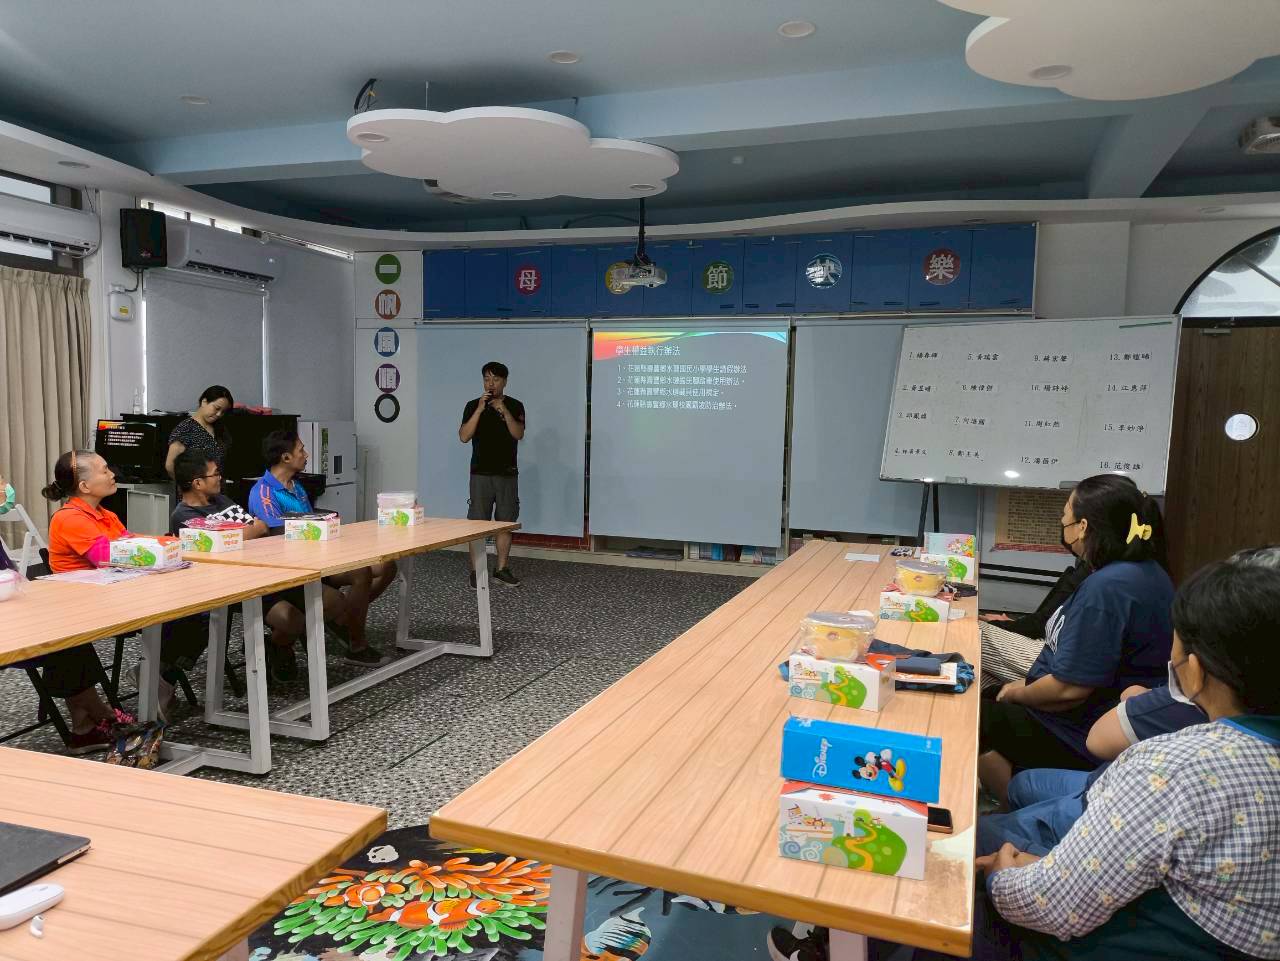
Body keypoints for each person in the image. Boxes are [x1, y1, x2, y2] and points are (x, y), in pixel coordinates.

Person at [962, 548, 1280, 961]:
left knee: (962, 855)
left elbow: (1050, 905)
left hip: (1099, 937)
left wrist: (1003, 877)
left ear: (1196, 671)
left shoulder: (1172, 769)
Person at [978, 474, 1173, 805]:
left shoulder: (1109, 588)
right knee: (984, 693)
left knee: (974, 716)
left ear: (1082, 527)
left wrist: (1018, 693)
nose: (1062, 521)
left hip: (1077, 731)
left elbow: (1068, 690)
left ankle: (1015, 808)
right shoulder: (1139, 571)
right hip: (1084, 717)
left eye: (1065, 514)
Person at [170, 451, 357, 684]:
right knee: (292, 620)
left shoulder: (222, 501)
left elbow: (260, 527)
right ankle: (279, 648)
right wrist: (245, 533)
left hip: (270, 570)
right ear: (197, 483)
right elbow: (221, 541)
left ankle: (275, 645)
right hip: (238, 584)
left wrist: (240, 534)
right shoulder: (183, 515)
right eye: (215, 474)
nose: (220, 478)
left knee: (334, 602)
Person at [247, 431, 395, 669]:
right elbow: (278, 537)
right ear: (286, 457)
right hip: (291, 569)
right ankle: (354, 640)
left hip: (317, 559)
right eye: (301, 450)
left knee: (384, 567)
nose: (306, 455)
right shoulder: (263, 492)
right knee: (354, 581)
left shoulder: (296, 486)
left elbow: (309, 524)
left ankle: (344, 621)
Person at [38, 450, 135, 753]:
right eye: (104, 470)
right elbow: (110, 557)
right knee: (67, 641)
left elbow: (133, 549)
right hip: (76, 607)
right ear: (84, 486)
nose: (112, 474)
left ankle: (84, 727)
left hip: (100, 601)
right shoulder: (69, 518)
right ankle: (103, 715)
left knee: (69, 643)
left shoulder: (106, 515)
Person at [458, 361, 525, 589]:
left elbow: (518, 434)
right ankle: (477, 571)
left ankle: (501, 569)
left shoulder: (515, 405)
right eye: (487, 379)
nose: (491, 384)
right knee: (477, 524)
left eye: (495, 379)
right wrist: (479, 409)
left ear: (504, 381)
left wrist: (503, 410)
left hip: (507, 473)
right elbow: (464, 436)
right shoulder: (472, 405)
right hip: (480, 474)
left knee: (505, 522)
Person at [978, 557, 1088, 691]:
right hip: (1052, 647)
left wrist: (1005, 625)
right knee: (978, 672)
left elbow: (1041, 623)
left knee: (973, 631)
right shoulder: (1092, 570)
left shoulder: (1094, 577)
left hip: (1053, 656)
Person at [164, 384, 234, 478]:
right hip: (195, 485)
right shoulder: (185, 429)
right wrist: (188, 484)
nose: (219, 414)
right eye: (216, 408)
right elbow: (170, 465)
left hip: (217, 484)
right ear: (204, 402)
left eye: (223, 412)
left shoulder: (221, 428)